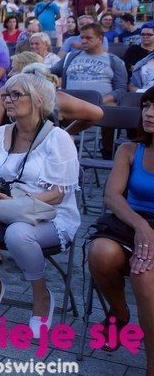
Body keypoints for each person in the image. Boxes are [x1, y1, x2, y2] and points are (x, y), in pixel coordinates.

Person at [0, 73, 80, 338]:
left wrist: (20, 201)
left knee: (18, 233)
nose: (7, 99)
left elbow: (57, 195)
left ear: (39, 100)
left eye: (16, 94)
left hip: (48, 215)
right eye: (6, 94)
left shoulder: (58, 139)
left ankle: (41, 297)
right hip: (3, 209)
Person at [87, 88, 154, 370]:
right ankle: (119, 313)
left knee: (142, 275)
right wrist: (141, 226)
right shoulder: (130, 149)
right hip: (132, 220)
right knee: (100, 252)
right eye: (147, 106)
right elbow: (112, 196)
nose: (149, 113)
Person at [51, 23, 127, 107]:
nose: (83, 41)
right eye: (82, 38)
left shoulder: (114, 61)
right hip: (70, 106)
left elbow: (121, 89)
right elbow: (50, 72)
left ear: (100, 39)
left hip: (100, 107)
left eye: (88, 38)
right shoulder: (70, 57)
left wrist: (100, 100)